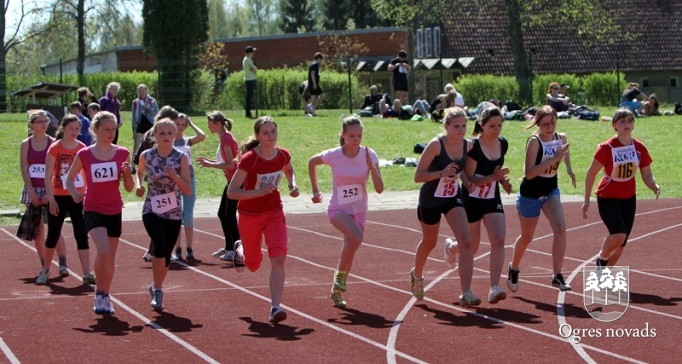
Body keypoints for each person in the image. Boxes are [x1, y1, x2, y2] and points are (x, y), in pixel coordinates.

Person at [226, 116, 300, 324]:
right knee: (253, 264)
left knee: (278, 257)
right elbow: (232, 192)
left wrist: (292, 185)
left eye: (273, 132)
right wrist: (258, 192)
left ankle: (275, 307)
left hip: (274, 212)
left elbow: (289, 169)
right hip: (250, 216)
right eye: (266, 133)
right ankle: (240, 250)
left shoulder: (282, 155)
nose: (270, 136)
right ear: (258, 136)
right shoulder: (250, 159)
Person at [308, 116, 384, 307]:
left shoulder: (369, 154)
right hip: (338, 208)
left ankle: (336, 291)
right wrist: (316, 190)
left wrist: (371, 165)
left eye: (359, 135)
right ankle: (339, 275)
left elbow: (380, 188)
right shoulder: (334, 154)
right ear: (343, 135)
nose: (356, 139)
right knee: (356, 237)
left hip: (359, 209)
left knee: (350, 249)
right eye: (351, 136)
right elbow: (312, 162)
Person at [409, 107, 480, 307]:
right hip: (430, 199)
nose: (461, 130)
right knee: (429, 242)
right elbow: (418, 176)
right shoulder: (436, 145)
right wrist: (441, 173)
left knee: (466, 241)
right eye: (456, 126)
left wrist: (466, 181)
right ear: (446, 126)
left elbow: (462, 169)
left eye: (464, 125)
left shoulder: (468, 145)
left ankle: (466, 292)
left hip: (451, 197)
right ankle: (417, 274)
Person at [65, 111, 134, 314]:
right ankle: (98, 292)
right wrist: (75, 194)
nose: (111, 132)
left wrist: (127, 174)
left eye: (114, 129)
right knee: (103, 251)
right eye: (106, 129)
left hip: (114, 208)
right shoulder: (84, 154)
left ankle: (105, 295)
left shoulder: (122, 153)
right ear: (95, 130)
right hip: (93, 208)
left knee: (110, 258)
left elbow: (129, 188)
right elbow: (69, 179)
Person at [507, 105, 576, 293]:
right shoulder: (534, 142)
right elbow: (529, 174)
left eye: (553, 123)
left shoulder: (560, 137)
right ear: (538, 124)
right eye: (545, 124)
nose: (550, 127)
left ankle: (557, 275)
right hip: (531, 193)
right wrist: (553, 160)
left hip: (550, 189)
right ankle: (513, 267)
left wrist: (568, 169)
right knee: (527, 237)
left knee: (560, 229)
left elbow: (564, 152)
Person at [582, 108, 660, 267]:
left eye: (630, 120)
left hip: (629, 198)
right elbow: (591, 173)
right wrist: (586, 200)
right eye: (622, 121)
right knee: (619, 234)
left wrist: (654, 185)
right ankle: (601, 258)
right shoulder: (606, 148)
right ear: (614, 125)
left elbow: (647, 174)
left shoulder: (639, 148)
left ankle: (604, 276)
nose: (627, 124)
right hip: (608, 197)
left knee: (622, 242)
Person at [135, 118, 192, 310]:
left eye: (170, 133)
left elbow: (187, 190)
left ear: (175, 134)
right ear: (155, 135)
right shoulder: (146, 155)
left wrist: (175, 176)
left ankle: (155, 286)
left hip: (173, 211)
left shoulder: (181, 157)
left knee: (166, 254)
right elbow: (140, 173)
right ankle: (158, 290)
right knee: (159, 246)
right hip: (152, 208)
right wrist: (139, 185)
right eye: (162, 133)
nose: (166, 137)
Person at [458, 106, 512, 303]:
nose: (496, 129)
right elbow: (470, 178)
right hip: (471, 198)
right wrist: (493, 177)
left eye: (499, 125)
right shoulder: (474, 147)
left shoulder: (502, 144)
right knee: (471, 246)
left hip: (491, 197)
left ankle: (494, 287)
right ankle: (451, 247)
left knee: (498, 238)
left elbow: (495, 171)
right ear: (482, 125)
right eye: (492, 126)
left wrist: (503, 182)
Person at [39, 114, 94, 285]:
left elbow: (87, 174)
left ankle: (87, 273)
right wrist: (51, 199)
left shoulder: (83, 147)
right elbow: (47, 176)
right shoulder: (54, 149)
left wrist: (86, 194)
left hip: (77, 197)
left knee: (81, 234)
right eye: (71, 128)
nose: (74, 131)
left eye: (77, 128)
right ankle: (45, 269)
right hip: (59, 196)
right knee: (53, 234)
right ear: (62, 128)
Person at [20, 110, 68, 279]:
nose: (44, 124)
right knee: (38, 229)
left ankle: (63, 262)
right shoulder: (26, 144)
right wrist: (32, 192)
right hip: (33, 189)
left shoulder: (53, 143)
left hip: (51, 189)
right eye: (40, 121)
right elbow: (25, 168)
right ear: (32, 124)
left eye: (46, 121)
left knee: (55, 227)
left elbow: (57, 169)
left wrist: (50, 193)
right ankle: (44, 263)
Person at [196, 111, 240, 265]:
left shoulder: (226, 139)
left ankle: (236, 249)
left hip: (236, 181)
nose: (208, 126)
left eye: (209, 123)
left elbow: (230, 164)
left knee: (228, 214)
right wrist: (209, 161)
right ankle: (230, 247)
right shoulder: (224, 138)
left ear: (217, 124)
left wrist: (209, 164)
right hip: (232, 180)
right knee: (223, 213)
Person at [170, 114, 206, 261]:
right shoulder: (169, 141)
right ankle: (177, 248)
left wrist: (191, 124)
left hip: (189, 179)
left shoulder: (187, 141)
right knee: (176, 213)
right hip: (174, 180)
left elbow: (202, 135)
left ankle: (189, 248)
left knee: (188, 214)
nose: (180, 127)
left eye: (183, 125)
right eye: (177, 124)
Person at [131, 84, 159, 171]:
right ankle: (133, 165)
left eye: (143, 91)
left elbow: (156, 113)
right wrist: (134, 129)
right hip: (140, 124)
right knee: (137, 145)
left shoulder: (152, 101)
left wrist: (148, 108)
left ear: (147, 91)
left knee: (150, 145)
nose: (141, 93)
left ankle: (150, 165)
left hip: (150, 124)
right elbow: (133, 117)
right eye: (140, 91)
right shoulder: (135, 102)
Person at [243, 46, 258, 118]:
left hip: (249, 79)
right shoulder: (248, 60)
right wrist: (255, 68)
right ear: (249, 53)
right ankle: (248, 113)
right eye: (252, 52)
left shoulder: (246, 59)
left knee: (249, 97)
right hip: (250, 80)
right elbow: (253, 69)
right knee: (249, 98)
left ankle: (248, 113)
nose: (253, 54)